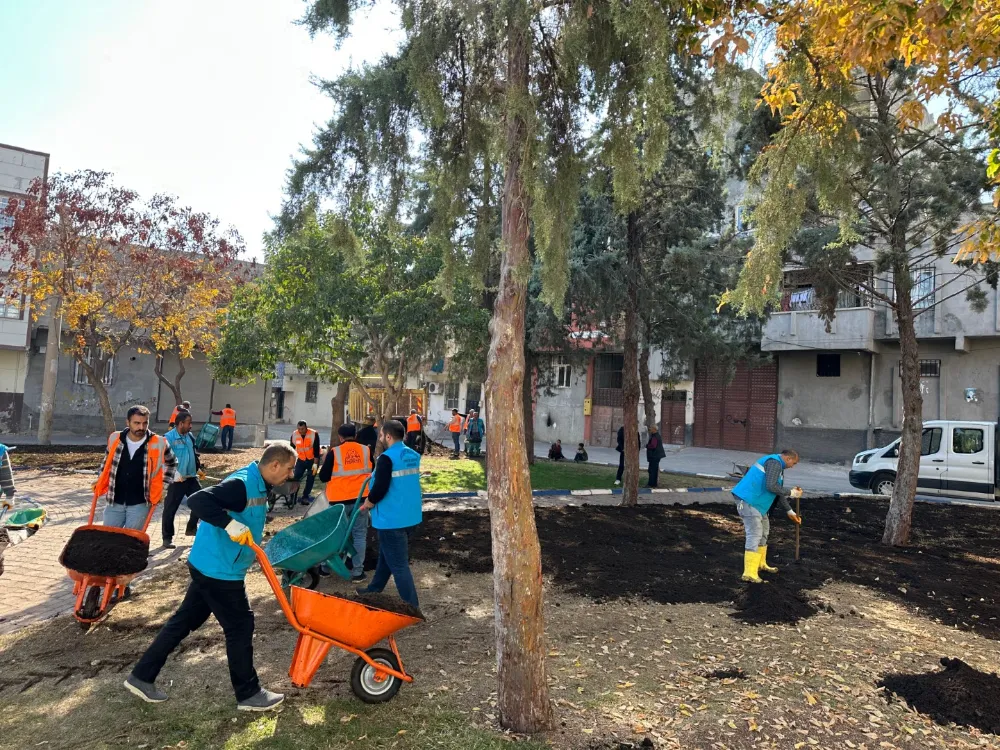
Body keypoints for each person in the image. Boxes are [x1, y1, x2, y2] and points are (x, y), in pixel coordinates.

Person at [124, 443, 297, 712]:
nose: (290, 474)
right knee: (240, 626)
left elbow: (240, 510)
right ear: (275, 465)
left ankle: (141, 676)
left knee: (184, 621)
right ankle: (249, 693)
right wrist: (230, 524)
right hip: (218, 571)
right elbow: (197, 500)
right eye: (288, 468)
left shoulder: (258, 482)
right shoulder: (241, 484)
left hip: (210, 564)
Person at [356, 420, 422, 607]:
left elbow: (381, 487)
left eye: (382, 434)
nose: (380, 437)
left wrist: (369, 503)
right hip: (410, 517)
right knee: (387, 556)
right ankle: (374, 589)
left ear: (389, 436)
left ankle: (412, 607)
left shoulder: (386, 458)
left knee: (399, 566)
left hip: (391, 519)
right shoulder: (412, 455)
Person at [97, 405, 178, 532]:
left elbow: (172, 463)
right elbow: (106, 463)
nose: (141, 427)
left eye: (145, 423)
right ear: (127, 422)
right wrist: (100, 479)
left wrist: (164, 486)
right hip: (114, 501)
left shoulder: (159, 442)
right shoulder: (115, 439)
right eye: (137, 423)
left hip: (140, 503)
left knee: (131, 540)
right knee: (108, 538)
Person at [731, 448, 803, 583]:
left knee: (764, 531)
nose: (793, 466)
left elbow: (777, 491)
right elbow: (771, 486)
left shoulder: (777, 466)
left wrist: (789, 511)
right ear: (788, 459)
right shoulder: (774, 463)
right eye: (794, 463)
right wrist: (791, 493)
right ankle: (749, 573)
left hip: (758, 503)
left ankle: (760, 564)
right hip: (749, 500)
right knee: (755, 533)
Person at [317, 423, 373, 582]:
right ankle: (357, 572)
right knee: (359, 535)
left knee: (333, 534)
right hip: (360, 501)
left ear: (340, 437)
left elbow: (323, 477)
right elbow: (371, 470)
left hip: (338, 502)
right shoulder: (366, 450)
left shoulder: (335, 452)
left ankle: (325, 569)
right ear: (355, 435)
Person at [161, 412, 202, 549]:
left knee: (201, 501)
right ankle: (167, 538)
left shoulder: (189, 436)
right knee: (170, 508)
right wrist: (174, 473)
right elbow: (162, 460)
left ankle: (191, 528)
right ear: (180, 424)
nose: (191, 426)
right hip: (177, 480)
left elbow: (193, 455)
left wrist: (198, 468)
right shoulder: (168, 438)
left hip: (191, 478)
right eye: (188, 423)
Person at [290, 421, 321, 504]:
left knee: (310, 478)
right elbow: (291, 449)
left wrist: (315, 464)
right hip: (301, 460)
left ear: (306, 428)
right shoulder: (294, 434)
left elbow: (316, 450)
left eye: (302, 429)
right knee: (296, 477)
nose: (301, 431)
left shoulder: (314, 434)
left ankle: (305, 496)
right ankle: (292, 497)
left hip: (312, 460)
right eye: (299, 429)